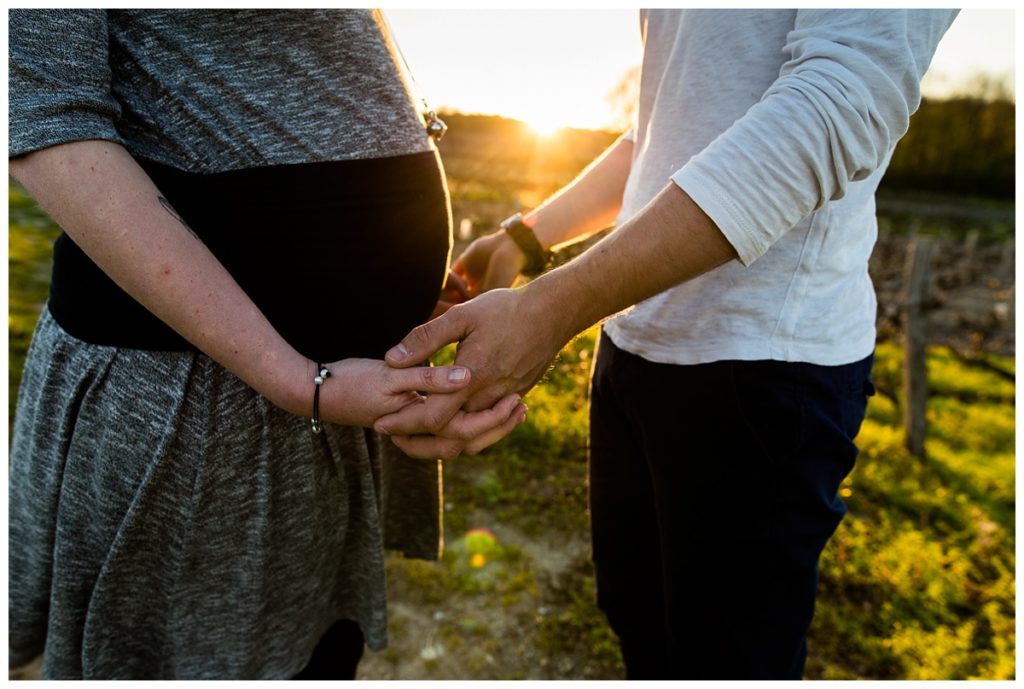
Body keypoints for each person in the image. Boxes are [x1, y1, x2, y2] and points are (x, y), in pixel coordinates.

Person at [375, 9, 959, 679]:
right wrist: (526, 239)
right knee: (640, 631)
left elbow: (835, 106)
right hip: (634, 344)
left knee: (727, 663)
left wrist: (554, 307)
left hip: (764, 369)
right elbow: (665, 127)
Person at [7, 9, 525, 680]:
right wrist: (296, 378)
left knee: (316, 652)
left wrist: (396, 285)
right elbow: (49, 121)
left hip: (332, 397)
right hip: (192, 404)